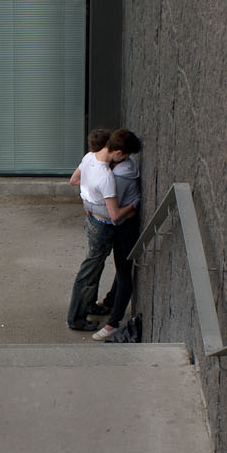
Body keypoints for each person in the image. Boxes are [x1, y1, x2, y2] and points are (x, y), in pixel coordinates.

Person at [66, 127, 129, 332]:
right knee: (88, 273)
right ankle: (76, 318)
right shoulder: (106, 176)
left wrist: (88, 197)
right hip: (102, 226)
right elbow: (115, 215)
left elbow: (74, 180)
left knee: (94, 268)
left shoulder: (88, 158)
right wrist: (133, 205)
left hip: (90, 220)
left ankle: (89, 306)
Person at [92, 128, 144, 341]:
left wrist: (88, 203)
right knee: (120, 265)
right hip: (123, 223)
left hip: (125, 226)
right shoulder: (119, 166)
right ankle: (110, 300)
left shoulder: (120, 177)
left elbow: (112, 212)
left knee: (124, 272)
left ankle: (113, 322)